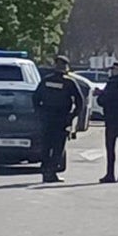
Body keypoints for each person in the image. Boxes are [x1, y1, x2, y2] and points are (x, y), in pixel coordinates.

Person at [33, 56, 83, 184]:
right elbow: (80, 102)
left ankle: (45, 172)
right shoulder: (69, 82)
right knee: (58, 147)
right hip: (62, 119)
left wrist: (40, 113)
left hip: (47, 118)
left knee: (46, 146)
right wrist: (72, 116)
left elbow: (35, 98)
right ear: (66, 68)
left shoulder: (46, 80)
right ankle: (52, 172)